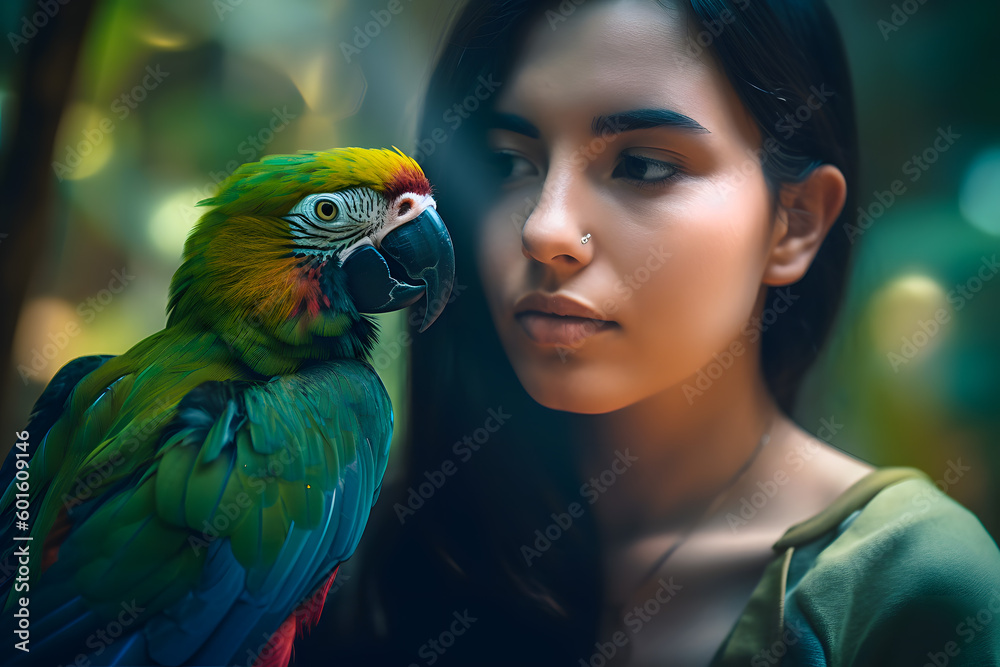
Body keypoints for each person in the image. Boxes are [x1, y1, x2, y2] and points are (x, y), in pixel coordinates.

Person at [300, 1, 1000, 665]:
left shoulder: (913, 587)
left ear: (797, 221)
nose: (544, 229)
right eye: (512, 163)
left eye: (642, 166)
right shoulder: (359, 552)